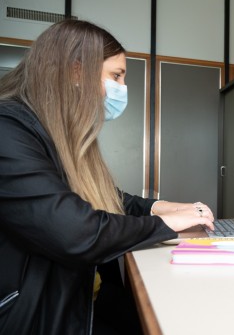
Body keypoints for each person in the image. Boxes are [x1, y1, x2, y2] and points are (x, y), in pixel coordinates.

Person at [0, 20, 215, 335]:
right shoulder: (8, 130)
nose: (121, 89)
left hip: (81, 293)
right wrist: (165, 226)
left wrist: (161, 207)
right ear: (76, 72)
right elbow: (74, 230)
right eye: (116, 76)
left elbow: (106, 197)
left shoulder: (59, 134)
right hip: (37, 315)